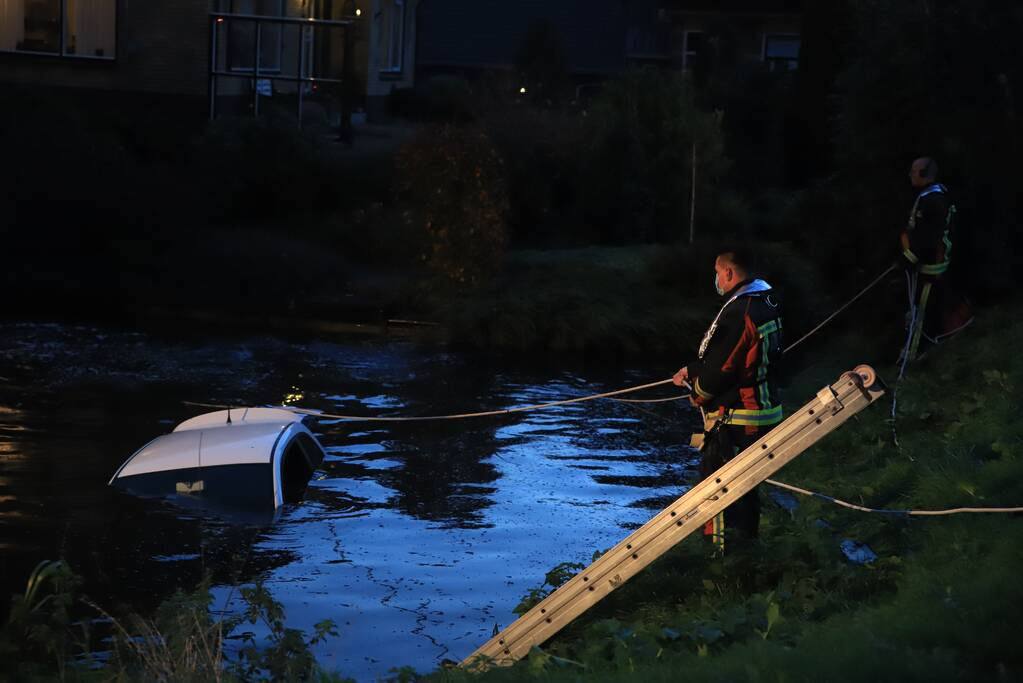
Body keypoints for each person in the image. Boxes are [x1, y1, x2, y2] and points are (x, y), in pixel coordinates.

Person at [672, 248, 783, 552]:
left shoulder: (741, 310)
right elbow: (738, 354)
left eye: (718, 272)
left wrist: (699, 392)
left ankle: (722, 559)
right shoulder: (765, 301)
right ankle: (747, 549)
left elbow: (725, 365)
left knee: (719, 490)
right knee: (746, 487)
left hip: (739, 416)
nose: (717, 279)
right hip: (762, 406)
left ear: (730, 273)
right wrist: (692, 370)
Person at [899, 157, 970, 362]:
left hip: (930, 267)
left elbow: (927, 236)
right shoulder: (937, 194)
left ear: (924, 173)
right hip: (933, 263)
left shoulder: (932, 200)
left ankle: (914, 355)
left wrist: (909, 257)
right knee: (929, 307)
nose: (911, 175)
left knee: (920, 312)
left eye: (914, 171)